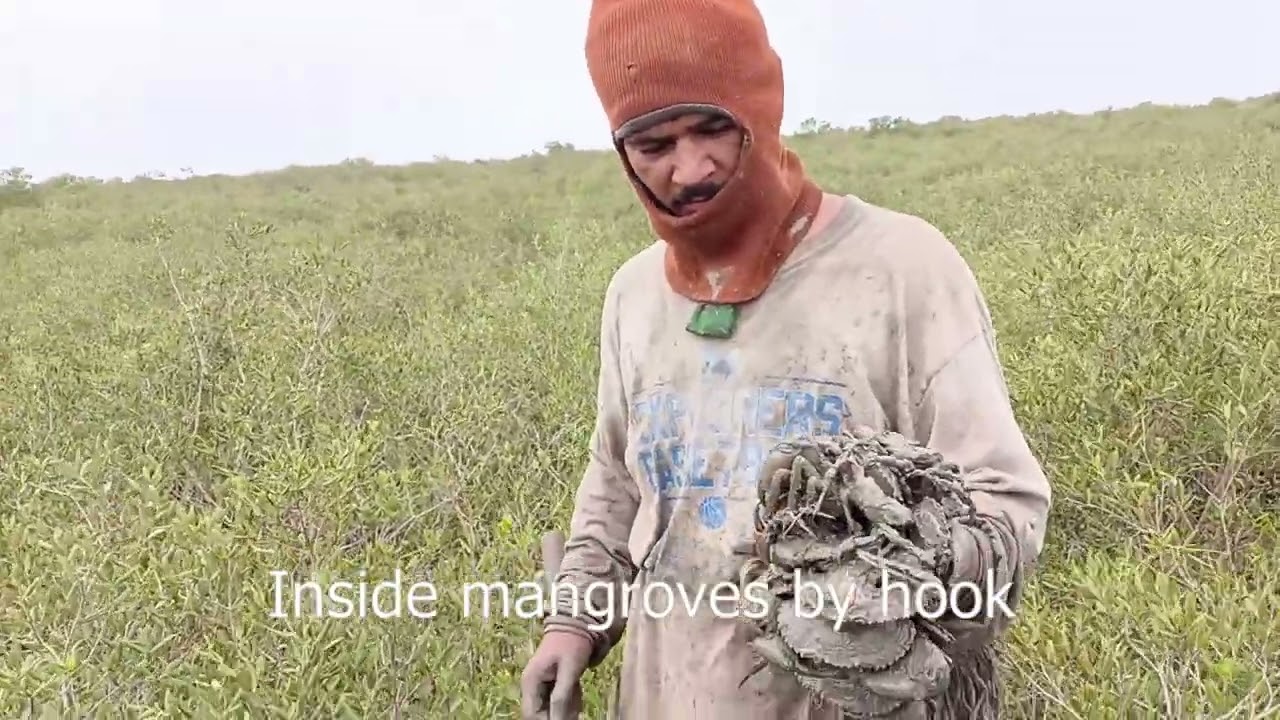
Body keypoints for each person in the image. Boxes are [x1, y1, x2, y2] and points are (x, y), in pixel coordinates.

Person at [519, 0, 1052, 717]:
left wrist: (896, 580)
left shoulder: (901, 268)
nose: (690, 168)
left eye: (713, 128)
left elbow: (1008, 501)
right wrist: (574, 622)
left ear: (760, 109)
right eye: (653, 144)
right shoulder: (634, 296)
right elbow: (617, 481)